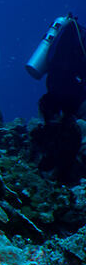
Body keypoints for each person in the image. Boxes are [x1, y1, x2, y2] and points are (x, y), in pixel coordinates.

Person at [27, 14, 86, 181]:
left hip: (54, 90)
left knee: (58, 127)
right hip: (67, 93)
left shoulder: (67, 36)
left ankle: (48, 163)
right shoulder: (78, 39)